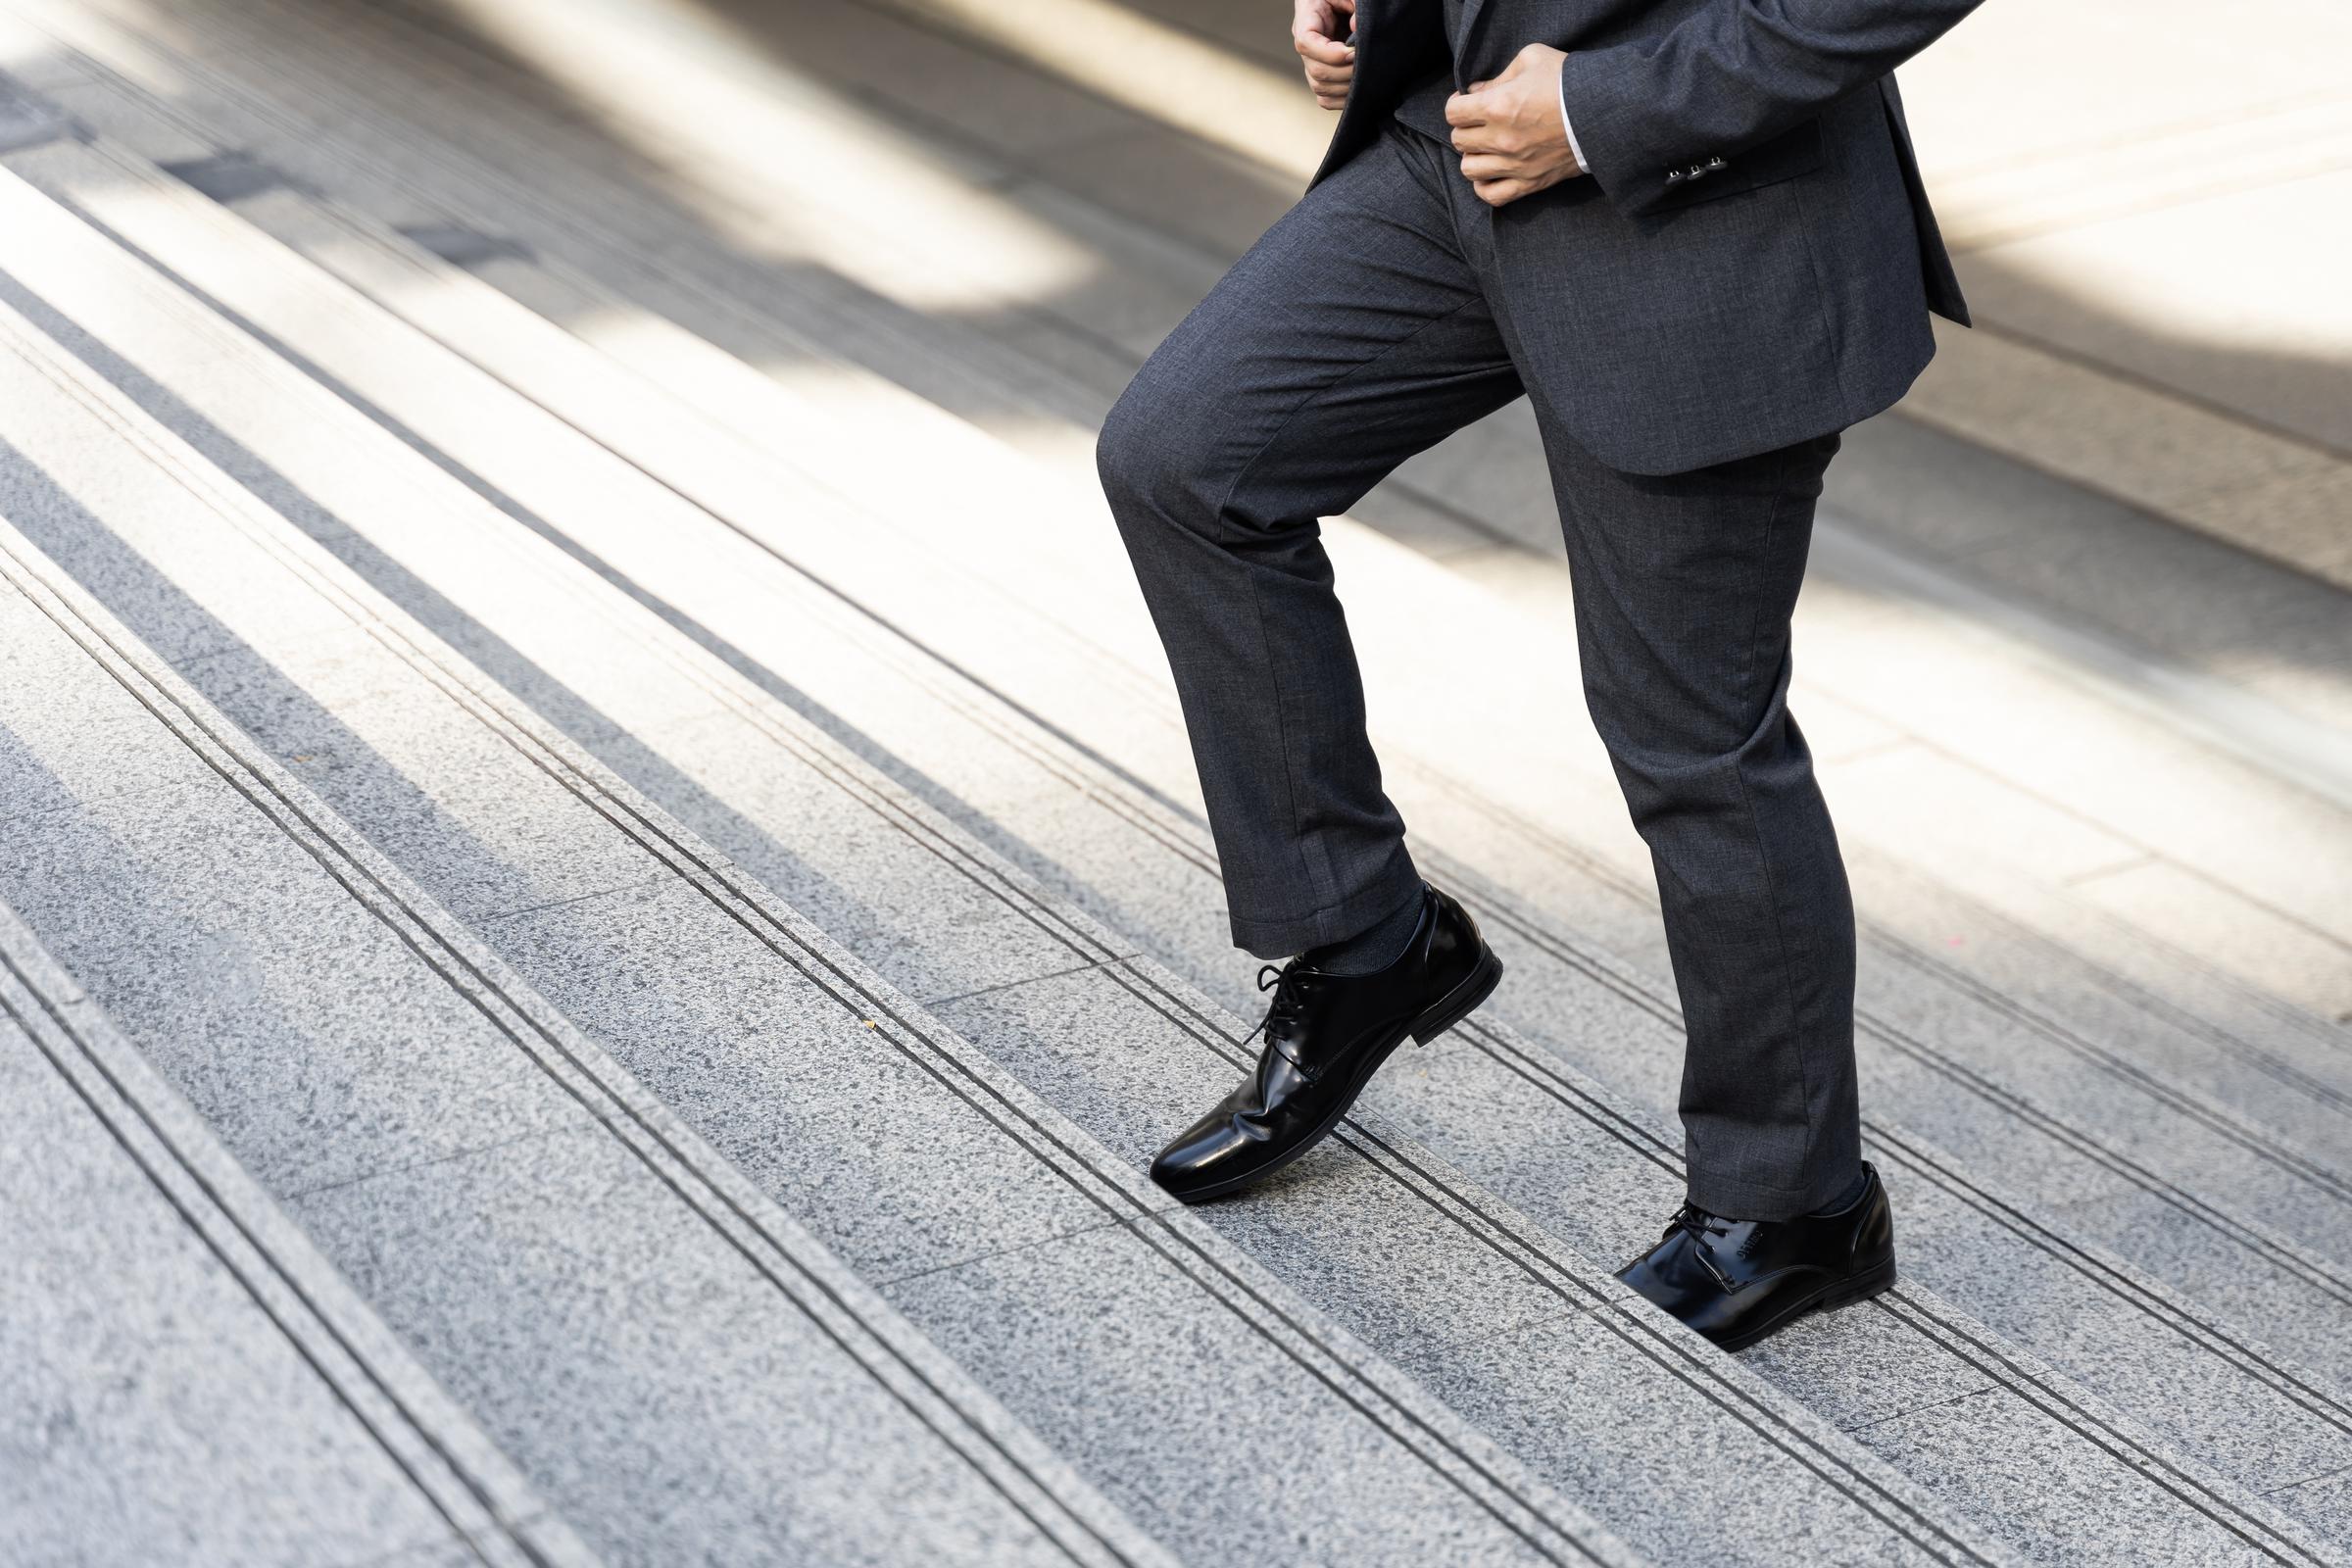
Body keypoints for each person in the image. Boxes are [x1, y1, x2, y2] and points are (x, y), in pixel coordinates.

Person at [1094, 0, 1982, 1349]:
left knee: (1689, 735)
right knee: (1185, 461)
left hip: (1701, 210)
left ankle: (1796, 1206)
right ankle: (1366, 936)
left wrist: (1600, 113)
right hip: (1444, 149)